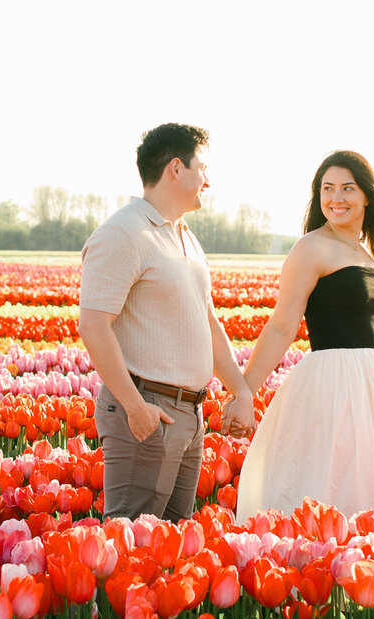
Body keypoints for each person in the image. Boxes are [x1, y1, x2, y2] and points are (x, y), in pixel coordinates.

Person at [230, 150, 374, 521]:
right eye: (328, 189)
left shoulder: (366, 252)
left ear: (367, 195)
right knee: (332, 484)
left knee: (371, 483)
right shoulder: (311, 247)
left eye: (348, 188)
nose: (336, 199)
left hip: (373, 384)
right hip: (333, 385)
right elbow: (282, 325)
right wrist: (244, 392)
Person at [78, 123, 255, 521]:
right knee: (134, 545)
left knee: (173, 547)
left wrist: (240, 390)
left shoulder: (185, 237)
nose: (208, 181)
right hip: (147, 410)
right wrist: (134, 405)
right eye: (202, 169)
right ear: (176, 168)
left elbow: (207, 323)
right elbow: (93, 324)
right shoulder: (125, 232)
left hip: (188, 415)